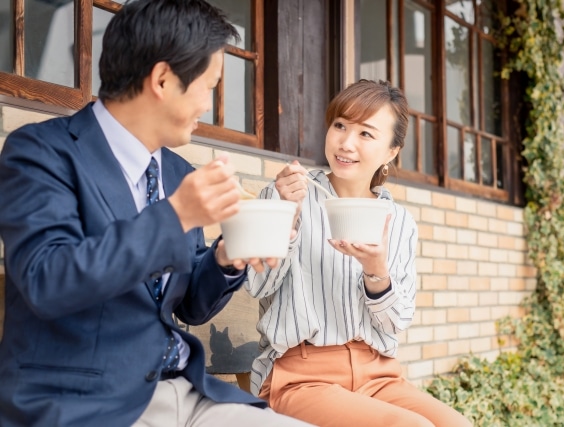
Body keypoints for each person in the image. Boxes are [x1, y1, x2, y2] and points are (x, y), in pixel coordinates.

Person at [0, 1, 312, 426]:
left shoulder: (177, 171)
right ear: (163, 79)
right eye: (209, 86)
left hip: (185, 388)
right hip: (86, 400)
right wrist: (178, 214)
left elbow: (191, 310)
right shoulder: (40, 153)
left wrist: (225, 258)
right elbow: (47, 280)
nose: (209, 104)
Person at [245, 79, 472, 427]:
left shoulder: (399, 222)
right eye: (340, 126)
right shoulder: (286, 195)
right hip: (302, 375)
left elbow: (395, 322)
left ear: (392, 151)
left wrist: (375, 271)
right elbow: (257, 286)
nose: (346, 143)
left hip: (378, 375)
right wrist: (288, 217)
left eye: (366, 134)